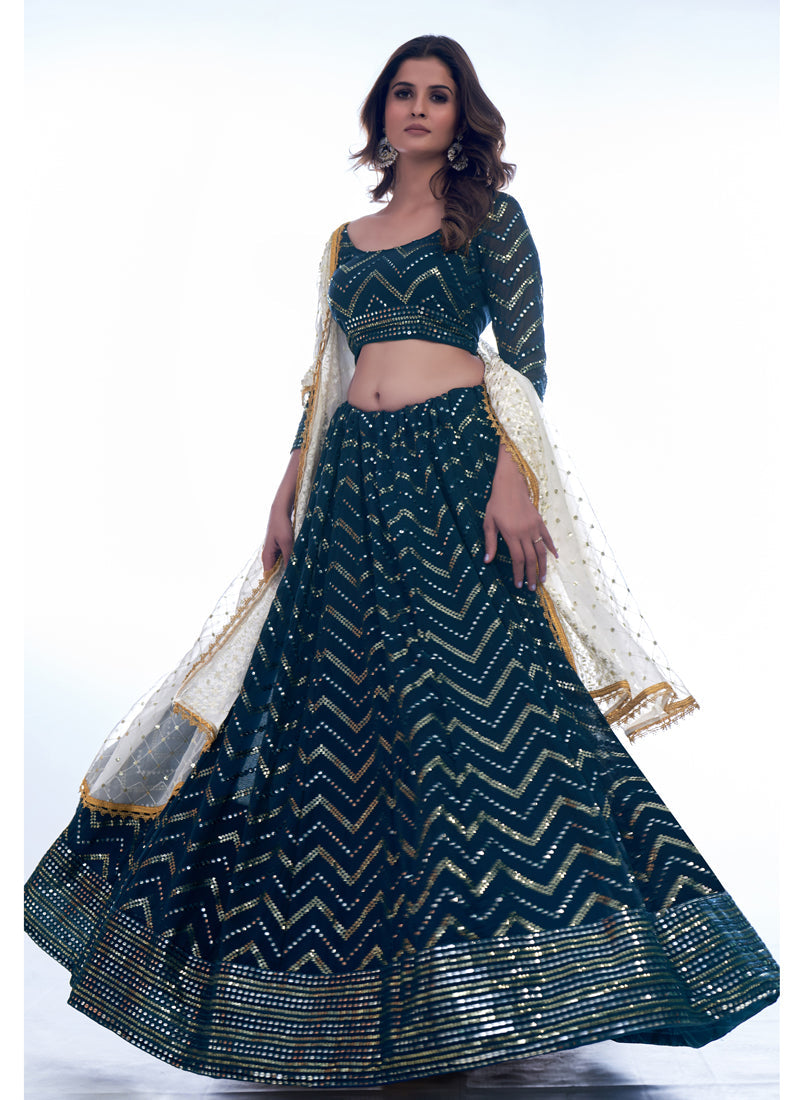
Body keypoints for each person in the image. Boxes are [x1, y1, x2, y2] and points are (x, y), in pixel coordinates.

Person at [24, 34, 778, 1089]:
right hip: (350, 482)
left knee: (488, 711)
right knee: (339, 719)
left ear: (462, 118)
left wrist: (512, 475)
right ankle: (361, 993)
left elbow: (528, 363)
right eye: (403, 93)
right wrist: (289, 479)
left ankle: (560, 966)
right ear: (380, 113)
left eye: (438, 95)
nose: (419, 108)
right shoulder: (346, 241)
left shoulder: (489, 220)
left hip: (454, 468)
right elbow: (327, 373)